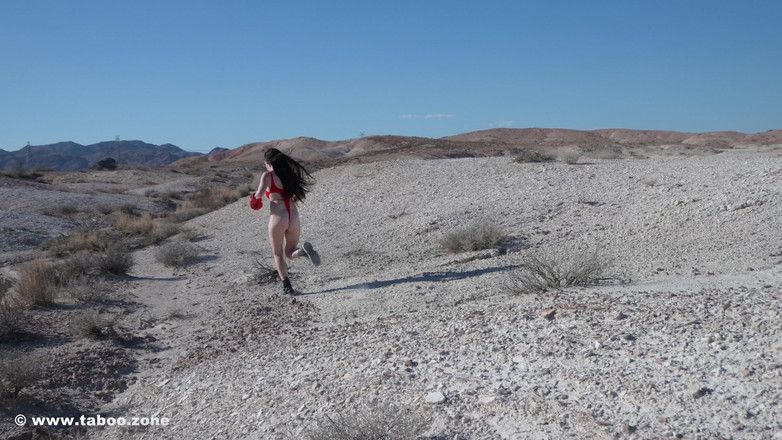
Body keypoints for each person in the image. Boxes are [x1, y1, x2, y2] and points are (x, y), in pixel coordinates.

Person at [250, 148, 320, 295]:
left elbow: (259, 194)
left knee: (278, 254)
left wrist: (254, 199)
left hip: (278, 217)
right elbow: (301, 195)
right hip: (293, 215)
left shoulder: (268, 176)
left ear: (268, 162)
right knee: (290, 252)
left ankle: (287, 287)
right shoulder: (289, 175)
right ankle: (301, 252)